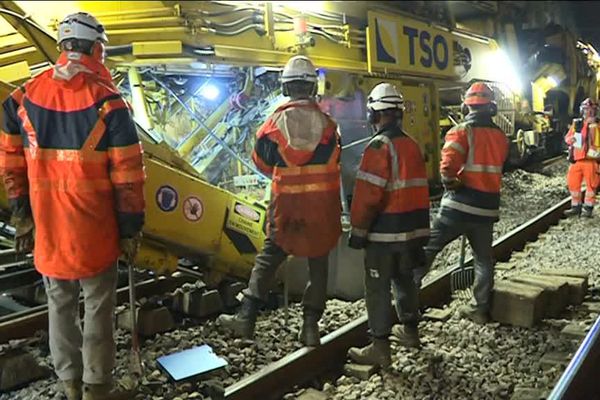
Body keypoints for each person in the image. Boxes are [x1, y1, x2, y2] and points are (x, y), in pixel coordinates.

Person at [0, 12, 145, 400]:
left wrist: (20, 212)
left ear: (63, 47)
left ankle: (70, 386)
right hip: (94, 229)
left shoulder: (23, 97)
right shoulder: (110, 104)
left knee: (59, 305)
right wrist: (131, 229)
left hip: (49, 227)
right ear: (97, 47)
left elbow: (10, 158)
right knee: (98, 308)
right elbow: (129, 175)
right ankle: (97, 387)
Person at [218, 55, 341, 346]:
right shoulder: (328, 126)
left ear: (285, 87)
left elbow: (260, 162)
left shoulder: (273, 124)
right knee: (318, 262)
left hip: (287, 208)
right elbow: (337, 159)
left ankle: (246, 319)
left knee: (269, 258)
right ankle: (310, 328)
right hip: (321, 210)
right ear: (312, 88)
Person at [346, 83, 430, 368]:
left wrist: (358, 232)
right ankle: (410, 333)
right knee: (404, 280)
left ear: (374, 114)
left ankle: (380, 348)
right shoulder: (412, 144)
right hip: (413, 232)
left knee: (378, 288)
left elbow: (369, 196)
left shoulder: (378, 146)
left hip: (385, 236)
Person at [414, 82, 508, 324]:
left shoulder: (461, 132)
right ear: (492, 107)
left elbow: (447, 170)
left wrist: (451, 184)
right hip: (486, 209)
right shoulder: (500, 137)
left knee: (429, 249)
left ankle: (407, 300)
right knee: (483, 259)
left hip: (458, 207)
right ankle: (480, 309)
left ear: (467, 106)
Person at [564, 98, 600, 218]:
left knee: (591, 186)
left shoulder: (598, 125)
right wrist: (571, 140)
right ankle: (576, 206)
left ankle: (588, 209)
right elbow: (567, 138)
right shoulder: (577, 123)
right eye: (586, 110)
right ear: (582, 111)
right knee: (573, 183)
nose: (589, 112)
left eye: (591, 110)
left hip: (591, 160)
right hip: (577, 159)